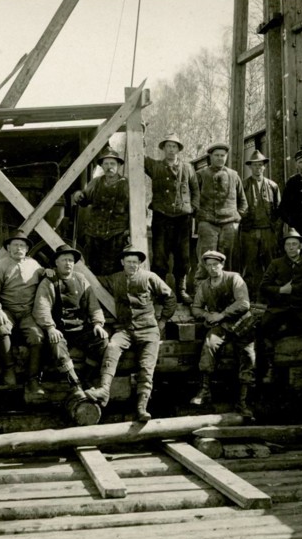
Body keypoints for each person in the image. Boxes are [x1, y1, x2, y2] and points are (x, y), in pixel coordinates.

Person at [88, 246, 177, 422]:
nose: (132, 265)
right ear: (122, 262)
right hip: (125, 329)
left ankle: (141, 407)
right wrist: (80, 267)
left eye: (135, 262)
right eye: (128, 262)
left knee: (147, 366)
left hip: (148, 329)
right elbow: (93, 280)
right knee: (112, 347)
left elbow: (170, 297)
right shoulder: (116, 279)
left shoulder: (149, 277)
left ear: (139, 264)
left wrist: (163, 320)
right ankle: (104, 390)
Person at [32, 244, 109, 402]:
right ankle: (75, 386)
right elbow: (41, 307)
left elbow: (93, 305)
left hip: (80, 328)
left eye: (71, 260)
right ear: (57, 263)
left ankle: (86, 378)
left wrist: (97, 324)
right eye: (64, 260)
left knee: (102, 340)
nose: (68, 263)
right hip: (59, 329)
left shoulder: (81, 280)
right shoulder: (49, 282)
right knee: (56, 344)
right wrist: (50, 327)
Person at [190, 250, 257, 419]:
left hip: (242, 324)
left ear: (222, 265)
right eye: (209, 265)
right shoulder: (204, 286)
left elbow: (244, 303)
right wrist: (207, 315)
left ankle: (242, 402)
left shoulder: (234, 278)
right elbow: (196, 308)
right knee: (209, 344)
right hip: (220, 326)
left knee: (248, 355)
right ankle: (204, 391)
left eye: (215, 265)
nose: (212, 268)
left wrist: (222, 314)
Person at [0, 230, 47, 394]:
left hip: (27, 313)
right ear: (9, 248)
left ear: (26, 249)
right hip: (7, 311)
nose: (19, 248)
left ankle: (33, 379)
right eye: (15, 245)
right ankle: (9, 370)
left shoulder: (34, 265)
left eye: (22, 245)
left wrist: (49, 272)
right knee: (0, 330)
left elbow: (45, 278)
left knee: (37, 337)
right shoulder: (0, 267)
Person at [258, 228, 302, 383]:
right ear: (284, 247)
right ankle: (267, 368)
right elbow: (264, 287)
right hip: (280, 308)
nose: (291, 247)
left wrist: (297, 290)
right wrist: (281, 290)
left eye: (294, 244)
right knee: (262, 329)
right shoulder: (276, 264)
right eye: (288, 244)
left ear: (300, 246)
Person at [144, 132, 200, 304]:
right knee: (160, 255)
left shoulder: (188, 168)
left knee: (183, 257)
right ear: (164, 148)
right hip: (162, 217)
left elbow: (195, 190)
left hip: (183, 219)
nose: (171, 149)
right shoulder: (155, 166)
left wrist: (193, 209)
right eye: (168, 146)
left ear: (178, 149)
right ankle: (160, 292)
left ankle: (181, 291)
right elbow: (139, 155)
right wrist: (142, 133)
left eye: (174, 146)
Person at [71, 147, 129, 276]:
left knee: (113, 271)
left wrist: (129, 230)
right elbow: (84, 199)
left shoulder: (127, 185)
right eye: (106, 164)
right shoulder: (96, 183)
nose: (109, 167)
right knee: (94, 269)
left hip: (116, 236)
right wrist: (78, 195)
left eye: (112, 163)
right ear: (102, 166)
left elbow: (136, 211)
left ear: (119, 165)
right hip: (94, 235)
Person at [195, 142, 248, 277]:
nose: (220, 158)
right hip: (207, 223)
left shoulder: (234, 175)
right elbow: (193, 200)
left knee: (229, 258)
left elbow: (243, 202)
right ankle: (203, 289)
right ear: (210, 157)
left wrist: (236, 218)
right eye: (217, 155)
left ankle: (228, 289)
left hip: (229, 224)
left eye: (223, 155)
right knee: (206, 257)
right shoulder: (201, 174)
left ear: (226, 157)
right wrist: (200, 217)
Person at [239, 149, 281, 302]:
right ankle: (249, 298)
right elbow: (239, 208)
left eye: (260, 165)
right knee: (249, 266)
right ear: (250, 167)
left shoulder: (272, 186)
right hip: (249, 232)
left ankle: (270, 298)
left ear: (265, 167)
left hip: (268, 232)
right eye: (254, 165)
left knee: (270, 264)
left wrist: (274, 229)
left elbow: (279, 209)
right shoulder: (243, 185)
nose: (258, 168)